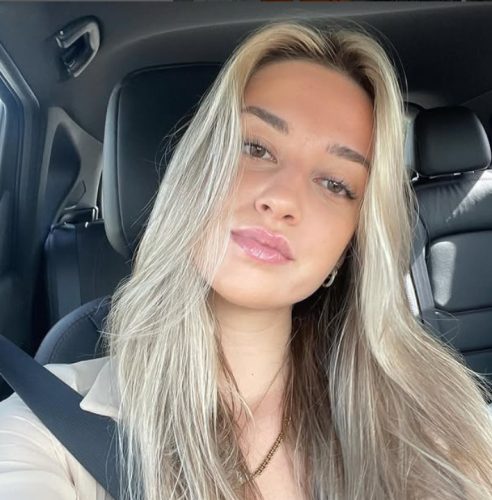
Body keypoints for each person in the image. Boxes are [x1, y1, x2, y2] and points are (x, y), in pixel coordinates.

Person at [1, 19, 492, 500]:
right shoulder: (46, 427)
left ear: (349, 248)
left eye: (335, 183)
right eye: (255, 148)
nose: (282, 199)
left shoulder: (435, 416)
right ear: (195, 171)